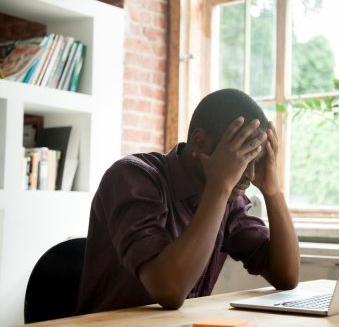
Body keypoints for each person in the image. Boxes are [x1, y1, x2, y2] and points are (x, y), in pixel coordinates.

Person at [76, 88, 300, 314]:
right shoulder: (132, 177)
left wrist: (274, 192)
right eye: (240, 156)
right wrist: (218, 188)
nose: (250, 174)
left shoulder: (229, 198)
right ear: (199, 142)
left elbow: (286, 277)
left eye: (255, 160)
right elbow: (169, 290)